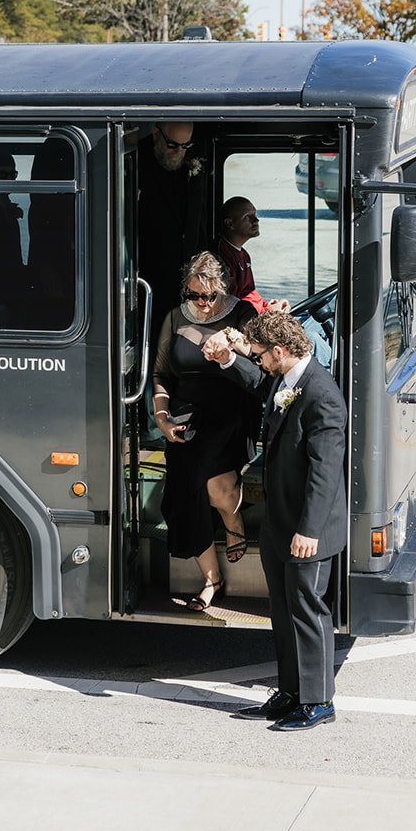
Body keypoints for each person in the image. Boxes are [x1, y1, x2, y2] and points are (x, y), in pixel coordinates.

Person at [204, 309, 347, 731]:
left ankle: (318, 701)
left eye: (261, 354)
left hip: (307, 529)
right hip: (280, 523)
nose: (258, 360)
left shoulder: (323, 397)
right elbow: (258, 383)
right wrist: (230, 360)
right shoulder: (288, 379)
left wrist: (309, 530)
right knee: (282, 612)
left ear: (280, 351)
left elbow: (325, 472)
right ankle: (289, 693)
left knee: (307, 610)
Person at [149, 251, 257, 612]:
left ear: (222, 288)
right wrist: (162, 416)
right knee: (184, 492)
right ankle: (212, 578)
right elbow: (161, 375)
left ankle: (232, 517)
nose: (204, 304)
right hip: (184, 415)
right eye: (195, 295)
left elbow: (258, 367)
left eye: (210, 296)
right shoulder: (175, 318)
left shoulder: (241, 314)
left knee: (217, 489)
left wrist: (233, 348)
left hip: (229, 412)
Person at [138, 121, 213, 339]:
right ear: (155, 134)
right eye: (172, 145)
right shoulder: (136, 158)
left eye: (185, 146)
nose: (179, 151)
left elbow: (200, 215)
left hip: (187, 272)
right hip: (149, 269)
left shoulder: (195, 157)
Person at [214, 196, 288, 314]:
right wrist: (267, 311)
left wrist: (267, 305)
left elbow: (249, 293)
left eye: (255, 214)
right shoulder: (221, 258)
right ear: (230, 224)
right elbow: (232, 305)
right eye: (248, 217)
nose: (256, 220)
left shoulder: (244, 255)